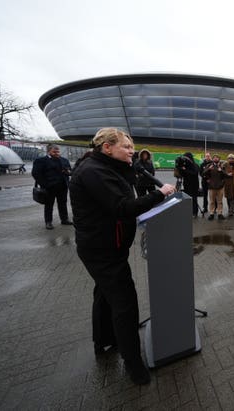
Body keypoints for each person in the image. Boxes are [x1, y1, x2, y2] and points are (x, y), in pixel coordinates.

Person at [69, 127, 176, 385]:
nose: (132, 151)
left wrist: (132, 168)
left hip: (108, 245)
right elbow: (121, 207)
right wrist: (159, 194)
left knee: (104, 294)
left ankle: (104, 340)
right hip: (102, 250)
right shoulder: (94, 171)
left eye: (132, 147)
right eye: (126, 147)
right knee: (125, 302)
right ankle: (133, 364)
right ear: (107, 147)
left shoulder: (105, 167)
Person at [32, 144, 73, 229]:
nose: (57, 153)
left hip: (63, 186)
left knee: (63, 204)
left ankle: (64, 219)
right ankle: (48, 222)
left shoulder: (64, 160)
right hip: (49, 187)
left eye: (58, 151)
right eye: (54, 151)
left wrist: (68, 172)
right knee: (49, 205)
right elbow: (36, 173)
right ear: (49, 151)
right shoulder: (41, 161)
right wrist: (45, 184)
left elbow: (69, 171)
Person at [202, 154, 227, 220]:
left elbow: (226, 175)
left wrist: (221, 170)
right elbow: (203, 173)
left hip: (220, 187)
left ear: (219, 159)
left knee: (220, 201)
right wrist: (208, 169)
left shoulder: (222, 166)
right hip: (211, 187)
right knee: (212, 201)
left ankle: (220, 213)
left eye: (217, 157)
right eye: (214, 158)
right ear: (212, 159)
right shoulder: (209, 165)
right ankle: (211, 213)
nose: (216, 159)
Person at [176, 152, 200, 218]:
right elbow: (180, 174)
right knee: (187, 199)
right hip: (186, 184)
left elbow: (194, 173)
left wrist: (185, 170)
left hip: (194, 185)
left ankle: (195, 213)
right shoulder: (185, 165)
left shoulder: (195, 165)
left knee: (194, 199)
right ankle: (188, 212)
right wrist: (179, 167)